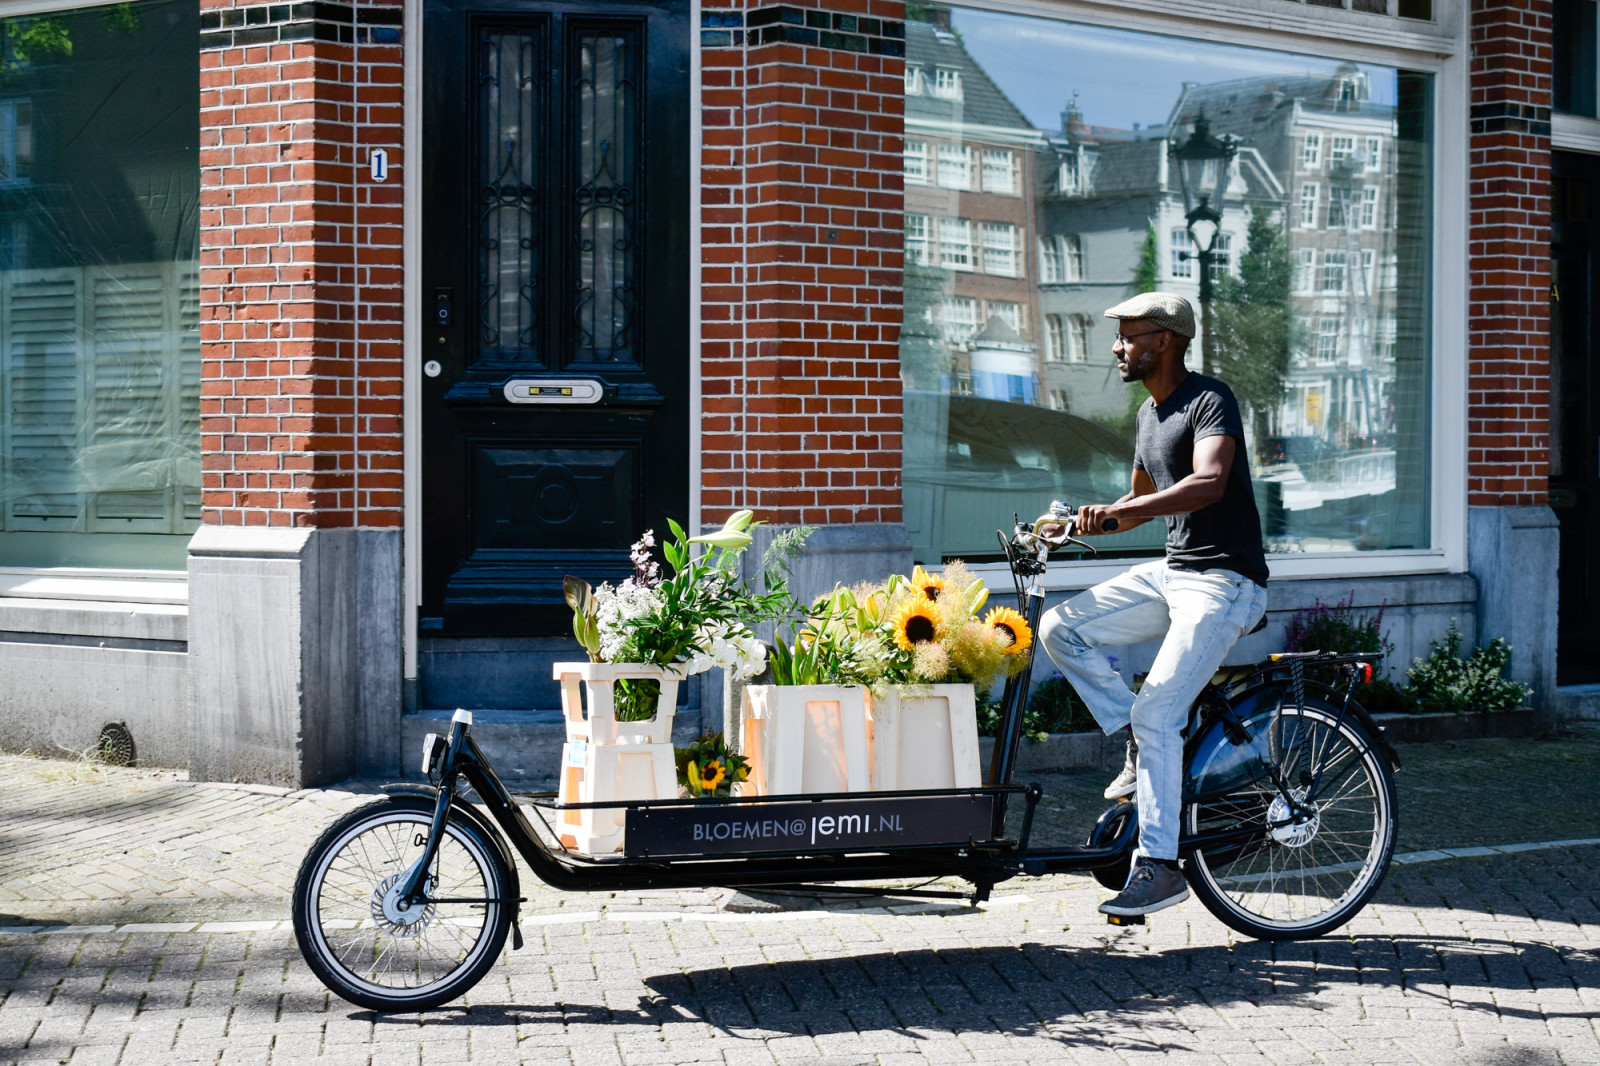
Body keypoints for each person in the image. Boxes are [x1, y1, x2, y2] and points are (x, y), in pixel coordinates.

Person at [1037, 292, 1269, 918]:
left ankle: (1161, 868)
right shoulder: (1148, 415)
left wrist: (1121, 511)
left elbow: (1206, 483)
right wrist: (1077, 526)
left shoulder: (1208, 399)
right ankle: (1138, 742)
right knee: (1061, 627)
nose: (1118, 346)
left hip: (1225, 582)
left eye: (1129, 336)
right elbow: (1139, 500)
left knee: (1160, 712)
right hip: (1176, 574)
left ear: (1164, 340)